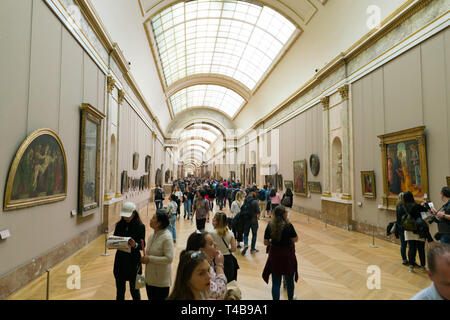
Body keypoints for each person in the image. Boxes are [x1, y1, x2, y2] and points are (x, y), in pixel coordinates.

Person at [262, 205, 299, 300]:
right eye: (286, 212)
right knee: (289, 281)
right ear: (283, 214)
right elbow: (295, 239)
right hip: (287, 256)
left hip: (275, 256)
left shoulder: (270, 225)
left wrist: (273, 242)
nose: (287, 214)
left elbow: (265, 242)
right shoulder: (288, 225)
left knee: (276, 282)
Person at [113, 202, 146, 300]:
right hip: (120, 260)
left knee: (135, 291)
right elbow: (115, 238)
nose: (126, 218)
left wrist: (135, 244)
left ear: (134, 213)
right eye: (124, 216)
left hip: (134, 262)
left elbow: (143, 246)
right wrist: (112, 242)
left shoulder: (140, 226)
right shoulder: (119, 225)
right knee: (120, 291)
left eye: (128, 216)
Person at [141, 209, 173, 300]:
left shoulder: (167, 237)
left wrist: (150, 259)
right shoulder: (152, 236)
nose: (150, 220)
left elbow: (169, 259)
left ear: (159, 223)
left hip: (161, 282)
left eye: (153, 218)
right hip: (150, 279)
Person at [185, 231, 227, 299]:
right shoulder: (198, 267)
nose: (215, 244)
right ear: (201, 251)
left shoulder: (207, 262)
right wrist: (219, 265)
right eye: (211, 244)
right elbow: (219, 292)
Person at [400, 191, 433, 272]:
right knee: (421, 248)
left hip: (408, 230)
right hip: (418, 230)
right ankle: (422, 267)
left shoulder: (401, 207)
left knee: (411, 248)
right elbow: (427, 209)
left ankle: (411, 266)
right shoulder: (416, 206)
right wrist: (425, 203)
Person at [210, 212, 238, 282]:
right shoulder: (230, 233)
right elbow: (234, 249)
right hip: (228, 260)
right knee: (228, 281)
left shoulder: (211, 233)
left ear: (217, 222)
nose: (212, 221)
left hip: (215, 259)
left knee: (216, 280)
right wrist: (228, 249)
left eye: (214, 219)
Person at [241, 186, 261, 255]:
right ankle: (252, 249)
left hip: (246, 220)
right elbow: (258, 212)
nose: (256, 193)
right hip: (253, 220)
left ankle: (246, 244)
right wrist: (258, 217)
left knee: (246, 234)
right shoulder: (255, 201)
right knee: (254, 234)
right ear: (252, 192)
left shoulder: (245, 200)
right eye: (255, 192)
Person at [395, 192, 408, 265]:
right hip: (405, 227)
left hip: (399, 227)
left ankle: (404, 259)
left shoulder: (397, 206)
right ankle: (409, 259)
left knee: (403, 244)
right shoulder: (404, 207)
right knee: (408, 244)